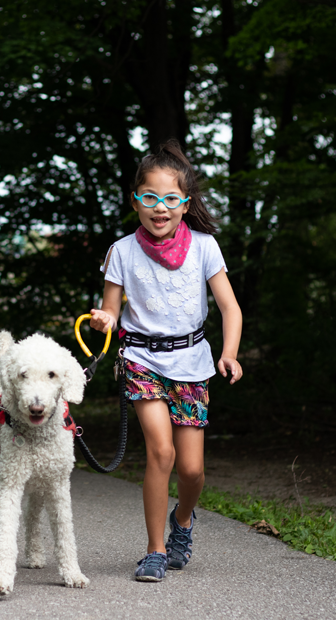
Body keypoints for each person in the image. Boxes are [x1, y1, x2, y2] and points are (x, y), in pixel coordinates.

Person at [90, 140, 243, 582]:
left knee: (192, 469)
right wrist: (105, 319)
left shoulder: (205, 247)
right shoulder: (121, 251)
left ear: (185, 204)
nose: (161, 208)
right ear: (135, 200)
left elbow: (230, 308)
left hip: (193, 363)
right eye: (150, 197)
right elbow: (112, 311)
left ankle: (182, 522)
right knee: (161, 452)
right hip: (142, 360)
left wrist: (228, 353)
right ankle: (155, 550)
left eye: (171, 199)